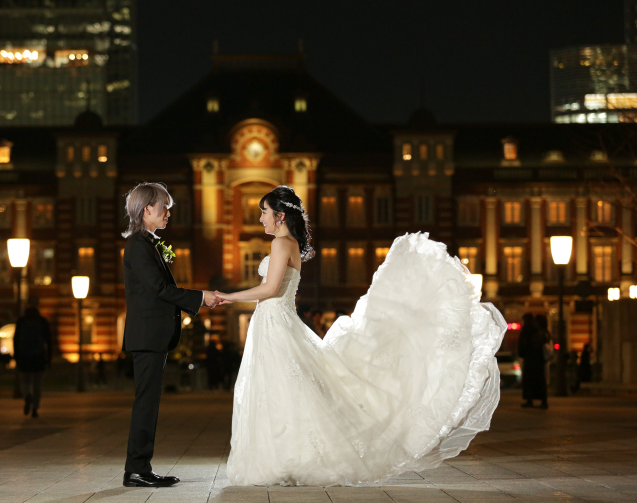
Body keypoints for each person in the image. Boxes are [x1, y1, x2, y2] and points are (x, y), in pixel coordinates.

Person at [214, 185, 507, 486]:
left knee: (278, 390)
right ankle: (287, 459)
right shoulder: (288, 244)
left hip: (274, 322)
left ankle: (285, 459)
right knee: (284, 390)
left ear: (280, 215)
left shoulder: (280, 244)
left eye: (264, 212)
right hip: (276, 321)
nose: (260, 218)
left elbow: (270, 289)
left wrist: (228, 296)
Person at [121, 182, 220, 488]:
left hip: (153, 336)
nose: (168, 213)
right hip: (147, 336)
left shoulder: (147, 243)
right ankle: (137, 470)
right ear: (146, 209)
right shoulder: (138, 245)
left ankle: (141, 467)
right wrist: (200, 296)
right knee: (146, 403)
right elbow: (159, 289)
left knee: (149, 402)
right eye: (164, 207)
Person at [13, 300, 52, 418]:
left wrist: (16, 356)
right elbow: (48, 341)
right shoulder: (42, 322)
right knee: (37, 384)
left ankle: (27, 396)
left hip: (24, 358)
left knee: (25, 381)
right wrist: (49, 358)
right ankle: (35, 407)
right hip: (39, 358)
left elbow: (15, 340)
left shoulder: (21, 322)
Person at [518, 313, 548, 409]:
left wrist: (522, 353)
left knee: (529, 380)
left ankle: (529, 400)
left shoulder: (527, 329)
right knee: (540, 380)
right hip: (539, 359)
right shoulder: (539, 329)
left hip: (530, 358)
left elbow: (522, 343)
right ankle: (543, 401)